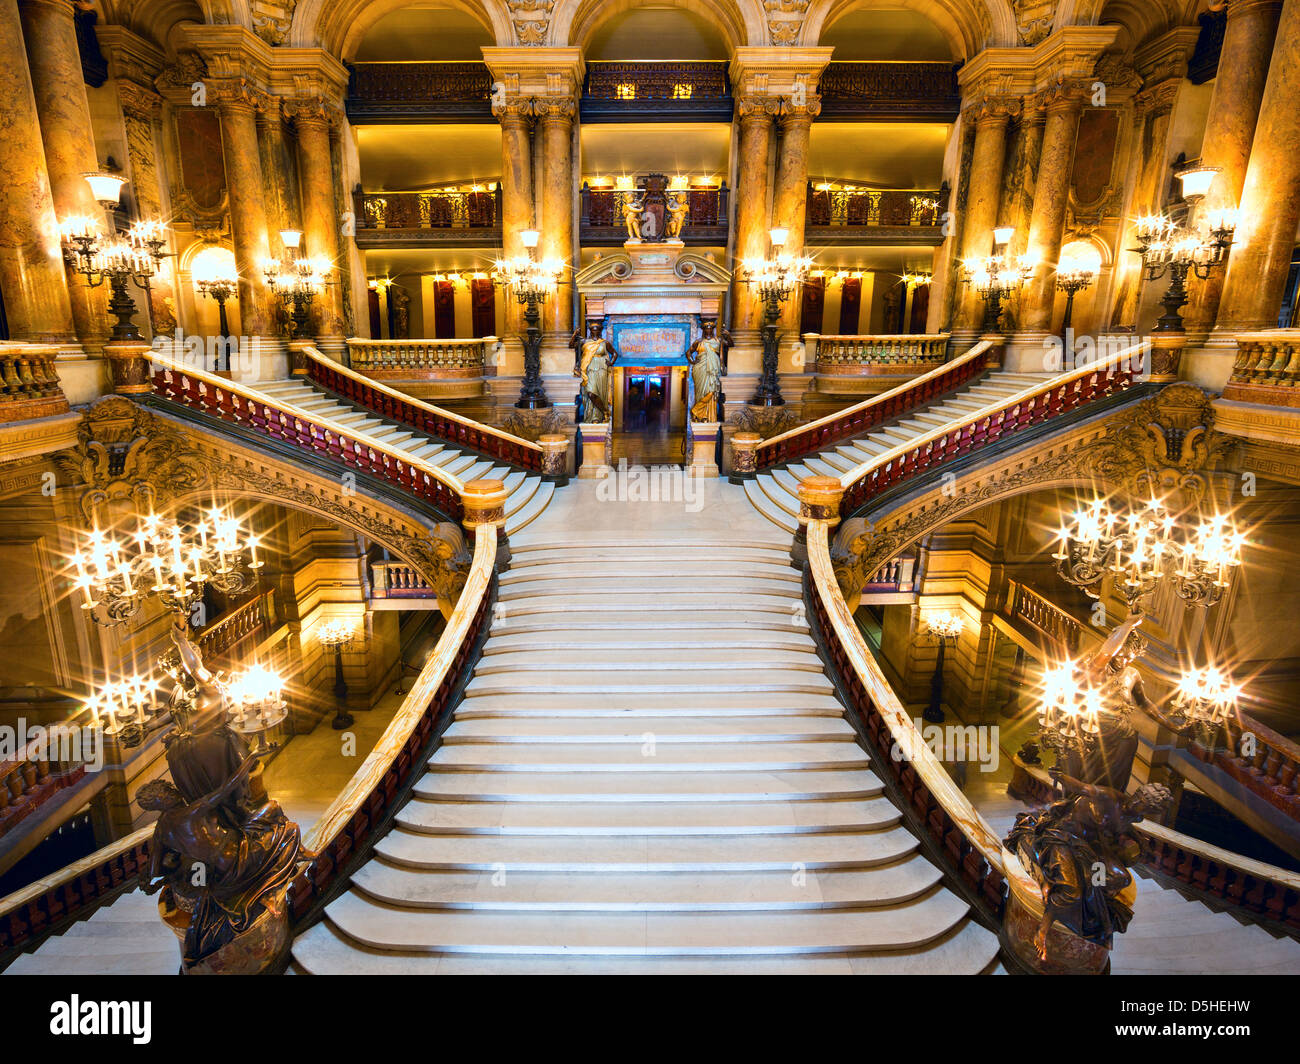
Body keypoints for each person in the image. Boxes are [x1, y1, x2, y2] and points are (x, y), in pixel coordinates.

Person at [570, 320, 619, 423]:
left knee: (600, 393)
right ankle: (605, 411)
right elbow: (571, 345)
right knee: (591, 393)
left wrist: (611, 363)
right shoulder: (585, 342)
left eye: (597, 330)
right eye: (592, 330)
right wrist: (575, 334)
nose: (594, 332)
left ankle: (596, 417)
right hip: (589, 368)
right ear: (590, 331)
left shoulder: (604, 343)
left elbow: (614, 353)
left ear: (600, 331)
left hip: (601, 369)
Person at [685, 319, 729, 422]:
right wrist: (693, 362)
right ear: (703, 330)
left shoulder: (718, 341)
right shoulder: (699, 342)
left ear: (713, 329)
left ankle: (697, 411)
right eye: (706, 329)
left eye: (710, 329)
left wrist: (728, 336)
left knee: (711, 392)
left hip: (713, 370)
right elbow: (688, 353)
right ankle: (702, 416)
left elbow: (730, 344)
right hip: (700, 370)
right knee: (700, 393)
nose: (708, 330)